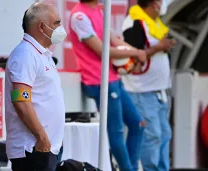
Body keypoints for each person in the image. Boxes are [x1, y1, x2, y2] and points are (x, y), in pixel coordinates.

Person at [69, 0, 147, 170]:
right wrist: (136, 52)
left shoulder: (98, 11)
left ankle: (130, 167)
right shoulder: (79, 16)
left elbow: (114, 41)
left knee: (138, 124)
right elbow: (103, 50)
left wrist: (135, 56)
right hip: (97, 80)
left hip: (111, 79)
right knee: (116, 132)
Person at [5, 2, 67, 171]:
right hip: (33, 148)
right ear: (41, 26)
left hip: (45, 148)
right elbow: (21, 100)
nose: (61, 28)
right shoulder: (25, 54)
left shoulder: (43, 55)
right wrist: (42, 137)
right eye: (56, 23)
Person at [121, 0, 176, 170]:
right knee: (152, 136)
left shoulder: (154, 22)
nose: (162, 6)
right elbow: (132, 55)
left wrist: (164, 47)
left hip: (159, 90)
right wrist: (159, 47)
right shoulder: (134, 22)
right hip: (142, 90)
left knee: (165, 135)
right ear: (153, 4)